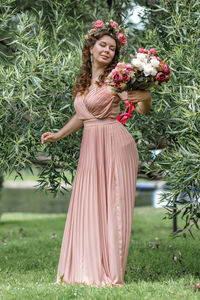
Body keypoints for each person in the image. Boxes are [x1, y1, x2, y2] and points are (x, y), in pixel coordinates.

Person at [41, 20, 152, 287]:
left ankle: (110, 271)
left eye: (112, 48)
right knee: (89, 203)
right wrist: (58, 134)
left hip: (115, 144)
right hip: (91, 145)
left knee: (112, 205)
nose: (107, 51)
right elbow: (83, 115)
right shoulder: (84, 82)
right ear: (90, 47)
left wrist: (145, 96)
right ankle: (83, 268)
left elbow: (141, 110)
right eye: (103, 45)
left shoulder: (118, 78)